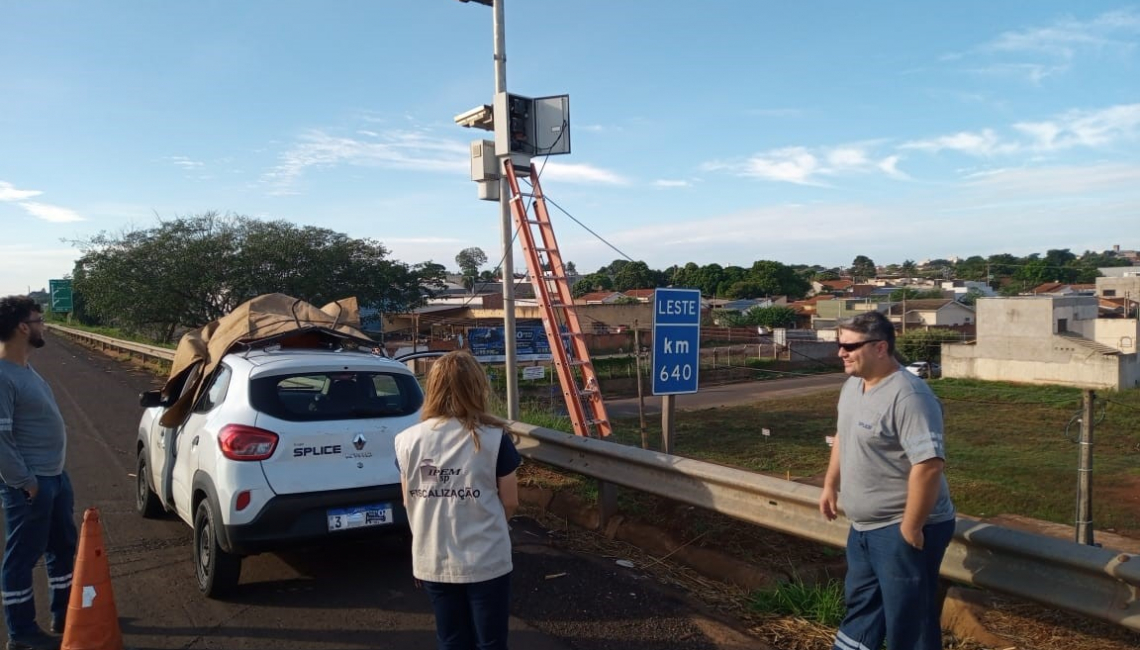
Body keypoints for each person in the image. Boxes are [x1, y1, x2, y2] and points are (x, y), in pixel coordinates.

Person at [819, 310, 955, 650]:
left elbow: (928, 465)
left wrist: (910, 528)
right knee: (861, 605)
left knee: (908, 619)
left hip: (901, 526)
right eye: (839, 345)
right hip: (864, 526)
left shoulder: (910, 396)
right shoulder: (853, 386)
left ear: (881, 347)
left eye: (849, 346)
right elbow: (843, 436)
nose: (841, 353)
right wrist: (830, 485)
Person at [394, 350, 520, 650]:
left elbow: (409, 500)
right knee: (490, 642)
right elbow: (511, 501)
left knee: (451, 639)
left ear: (432, 388)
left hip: (433, 557)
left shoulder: (407, 440)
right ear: (477, 387)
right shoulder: (494, 437)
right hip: (486, 559)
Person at [0, 296, 77, 650]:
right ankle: (22, 634)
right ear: (22, 327)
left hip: (54, 476)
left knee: (62, 547)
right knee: (21, 557)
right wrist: (25, 482)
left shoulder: (24, 367)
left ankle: (65, 613)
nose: (42, 324)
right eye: (38, 319)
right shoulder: (2, 376)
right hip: (31, 484)